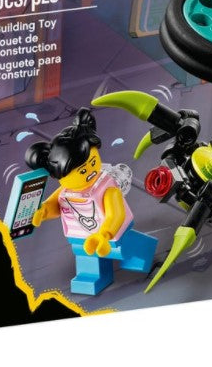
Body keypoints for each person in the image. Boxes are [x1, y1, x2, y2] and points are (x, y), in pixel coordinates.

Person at [26, 109, 157, 295]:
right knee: (85, 254)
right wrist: (43, 212)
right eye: (82, 170)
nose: (90, 171)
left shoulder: (106, 188)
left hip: (109, 233)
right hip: (80, 235)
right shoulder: (65, 192)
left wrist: (105, 234)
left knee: (123, 248)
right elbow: (55, 205)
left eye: (92, 162)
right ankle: (91, 276)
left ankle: (143, 252)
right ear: (58, 175)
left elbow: (116, 214)